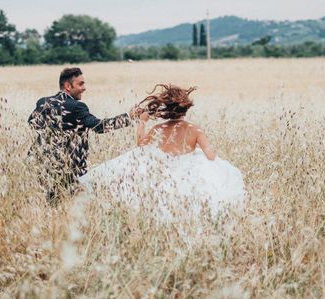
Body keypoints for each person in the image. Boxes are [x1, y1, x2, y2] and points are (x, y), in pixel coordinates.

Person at [79, 84, 245, 219]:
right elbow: (210, 155)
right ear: (186, 109)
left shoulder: (159, 128)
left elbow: (140, 145)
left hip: (162, 168)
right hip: (187, 170)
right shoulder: (195, 130)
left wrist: (142, 123)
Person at [28, 67, 135, 203]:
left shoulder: (43, 102)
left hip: (42, 163)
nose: (84, 88)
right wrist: (129, 117)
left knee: (50, 202)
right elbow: (99, 127)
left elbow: (32, 123)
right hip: (69, 166)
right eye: (81, 84)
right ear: (68, 86)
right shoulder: (77, 106)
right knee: (71, 203)